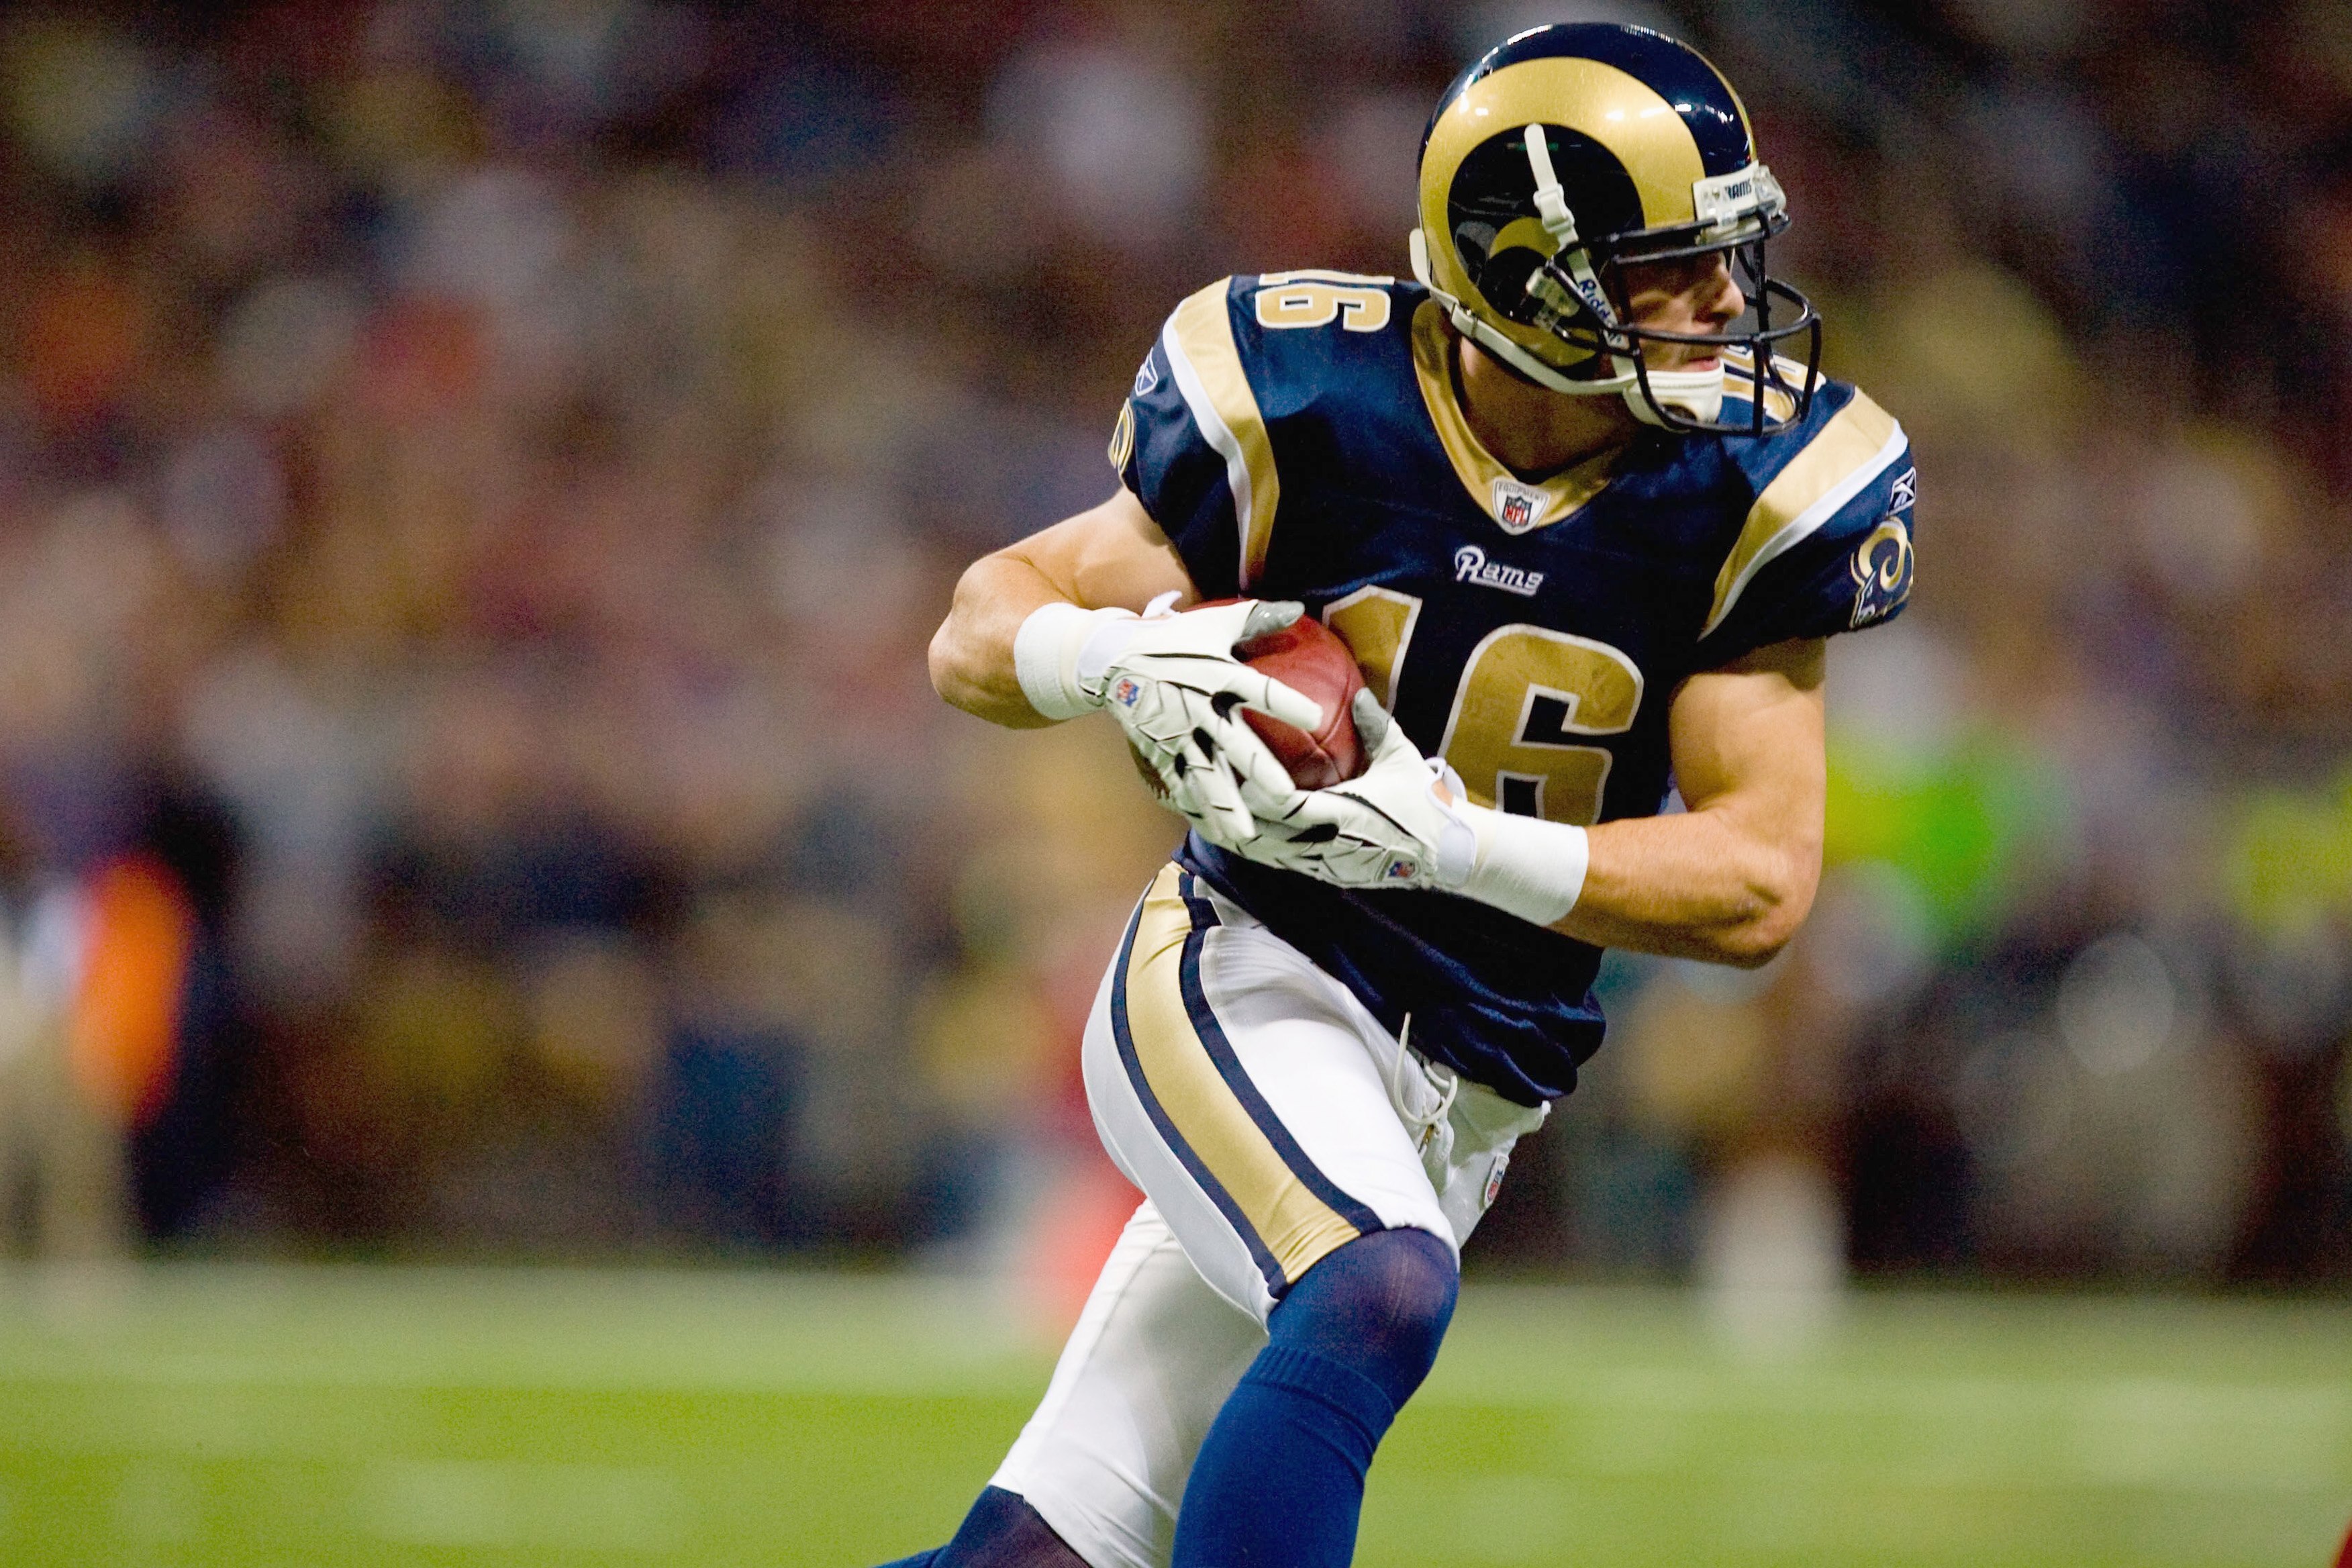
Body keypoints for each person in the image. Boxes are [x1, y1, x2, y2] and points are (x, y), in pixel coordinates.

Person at [893, 22, 1916, 1568]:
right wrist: (1112, 657)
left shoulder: (1755, 487)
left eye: (1728, 257)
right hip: (1254, 973)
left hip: (1481, 1072)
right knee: (1376, 1280)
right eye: (1672, 268)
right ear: (1530, 276)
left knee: (1034, 1557)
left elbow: (1760, 878)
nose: (1726, 302)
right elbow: (977, 625)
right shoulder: (1310, 393)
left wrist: (1448, 839)